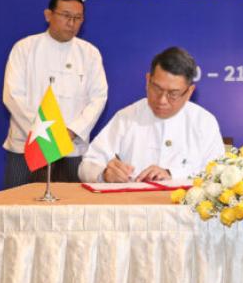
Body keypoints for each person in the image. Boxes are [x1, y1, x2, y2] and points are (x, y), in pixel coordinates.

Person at [2, 0, 107, 187]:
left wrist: (71, 131)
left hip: (71, 147)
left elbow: (98, 97)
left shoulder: (89, 53)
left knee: (73, 204)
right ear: (48, 15)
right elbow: (13, 95)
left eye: (77, 18)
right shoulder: (24, 48)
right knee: (16, 203)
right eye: (66, 16)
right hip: (27, 145)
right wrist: (44, 133)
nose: (71, 23)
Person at [78, 46, 224, 182]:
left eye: (173, 94)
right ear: (148, 80)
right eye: (157, 88)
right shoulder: (127, 117)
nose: (162, 100)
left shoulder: (204, 122)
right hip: (133, 201)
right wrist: (104, 174)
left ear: (189, 92)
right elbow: (87, 166)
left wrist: (173, 174)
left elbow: (218, 175)